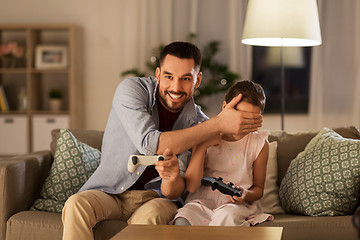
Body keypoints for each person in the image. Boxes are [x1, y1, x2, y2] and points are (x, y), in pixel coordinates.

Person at [61, 42, 263, 240]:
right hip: (109, 191)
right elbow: (150, 144)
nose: (176, 87)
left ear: (198, 80)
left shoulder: (199, 123)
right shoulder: (132, 91)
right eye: (168, 76)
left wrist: (172, 176)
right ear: (158, 74)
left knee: (151, 217)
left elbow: (177, 190)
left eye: (186, 78)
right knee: (76, 204)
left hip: (156, 199)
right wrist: (218, 123)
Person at [173, 80, 273, 226]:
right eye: (241, 116)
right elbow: (191, 186)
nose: (244, 124)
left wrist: (245, 194)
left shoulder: (259, 144)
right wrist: (202, 145)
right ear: (225, 107)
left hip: (235, 206)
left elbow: (258, 189)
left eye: (252, 119)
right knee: (183, 219)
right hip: (201, 202)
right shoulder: (204, 132)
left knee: (226, 217)